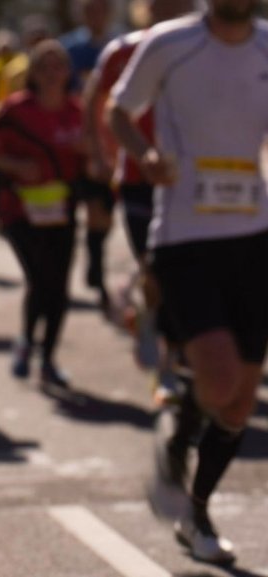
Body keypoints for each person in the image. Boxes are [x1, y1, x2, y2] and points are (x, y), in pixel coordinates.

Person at [108, 0, 268, 564]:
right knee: (220, 377)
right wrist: (145, 153)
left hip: (255, 237)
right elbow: (119, 110)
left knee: (240, 401)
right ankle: (176, 439)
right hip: (185, 238)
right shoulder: (170, 45)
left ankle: (195, 511)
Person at [83, 0, 196, 404]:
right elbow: (95, 102)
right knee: (155, 265)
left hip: (188, 179)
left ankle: (174, 340)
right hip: (137, 178)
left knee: (183, 270)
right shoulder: (123, 51)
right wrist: (98, 152)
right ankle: (164, 361)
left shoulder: (201, 47)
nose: (171, 7)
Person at [0, 40, 85, 391]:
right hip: (20, 211)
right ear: (32, 73)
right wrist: (17, 165)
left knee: (58, 288)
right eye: (44, 65)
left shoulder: (77, 112)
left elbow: (91, 158)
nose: (52, 72)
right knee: (42, 279)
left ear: (69, 72)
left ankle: (47, 358)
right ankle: (28, 342)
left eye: (59, 64)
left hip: (62, 212)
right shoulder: (15, 110)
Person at [61, 0, 118, 313]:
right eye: (90, 9)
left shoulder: (120, 47)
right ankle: (76, 275)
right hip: (72, 146)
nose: (96, 14)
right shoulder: (69, 49)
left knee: (103, 213)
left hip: (108, 144)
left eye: (101, 8)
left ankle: (95, 264)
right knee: (74, 212)